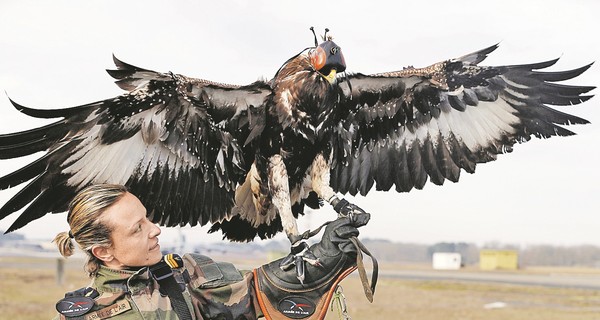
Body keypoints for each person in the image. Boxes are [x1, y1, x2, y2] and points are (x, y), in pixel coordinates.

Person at [53, 184, 370, 320]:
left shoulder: (185, 273)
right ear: (103, 251)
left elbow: (258, 292)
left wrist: (322, 256)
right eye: (137, 228)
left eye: (147, 218)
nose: (155, 229)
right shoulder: (84, 314)